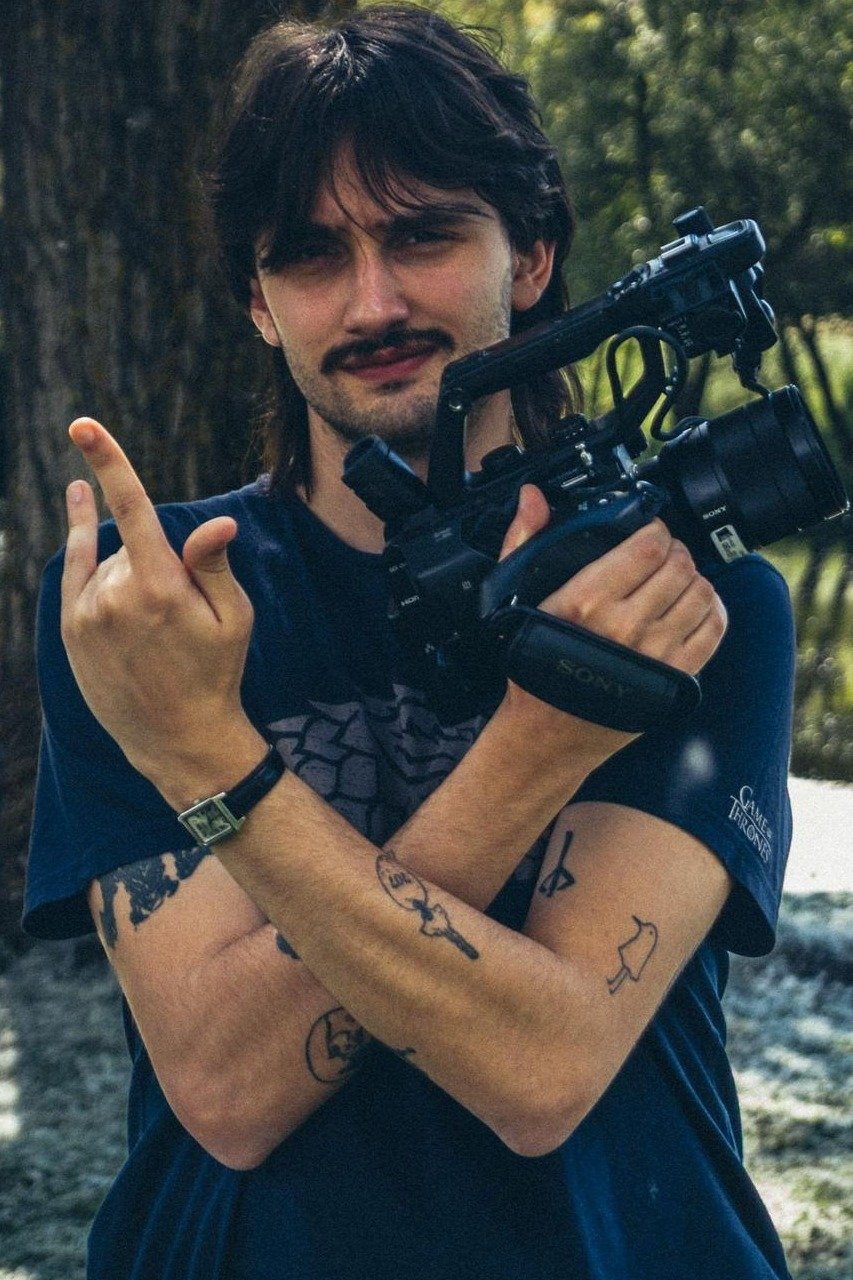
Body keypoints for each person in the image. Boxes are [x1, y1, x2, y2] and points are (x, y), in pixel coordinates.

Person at [25, 6, 797, 1278]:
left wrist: (208, 758)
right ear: (259, 303)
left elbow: (540, 1067)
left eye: (423, 233)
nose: (372, 300)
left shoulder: (685, 596)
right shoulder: (149, 611)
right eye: (311, 255)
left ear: (530, 252)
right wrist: (543, 745)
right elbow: (228, 1089)